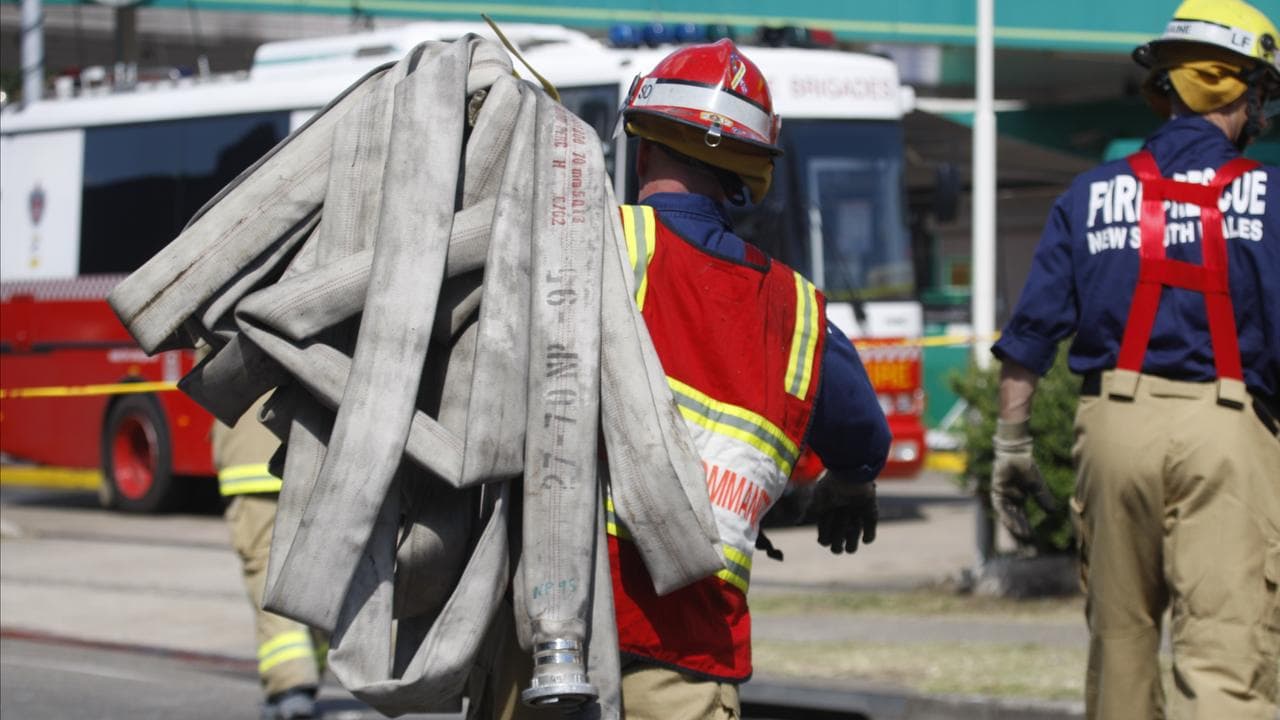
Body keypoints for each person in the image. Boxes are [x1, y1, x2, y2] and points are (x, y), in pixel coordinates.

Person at [471, 38, 891, 720]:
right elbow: (863, 434)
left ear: (641, 144)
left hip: (546, 651)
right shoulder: (798, 313)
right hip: (683, 662)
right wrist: (851, 481)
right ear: (749, 174)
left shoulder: (588, 247)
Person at [988, 1, 1280, 718]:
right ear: (1241, 90)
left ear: (1166, 87)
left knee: (1121, 646)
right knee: (1226, 655)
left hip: (1114, 427)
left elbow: (1030, 338)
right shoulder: (1272, 201)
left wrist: (1011, 445)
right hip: (1231, 433)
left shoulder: (1089, 196)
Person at [213, 393, 327, 720]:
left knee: (265, 563)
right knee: (312, 566)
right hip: (314, 445)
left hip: (253, 454)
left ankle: (291, 682)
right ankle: (305, 675)